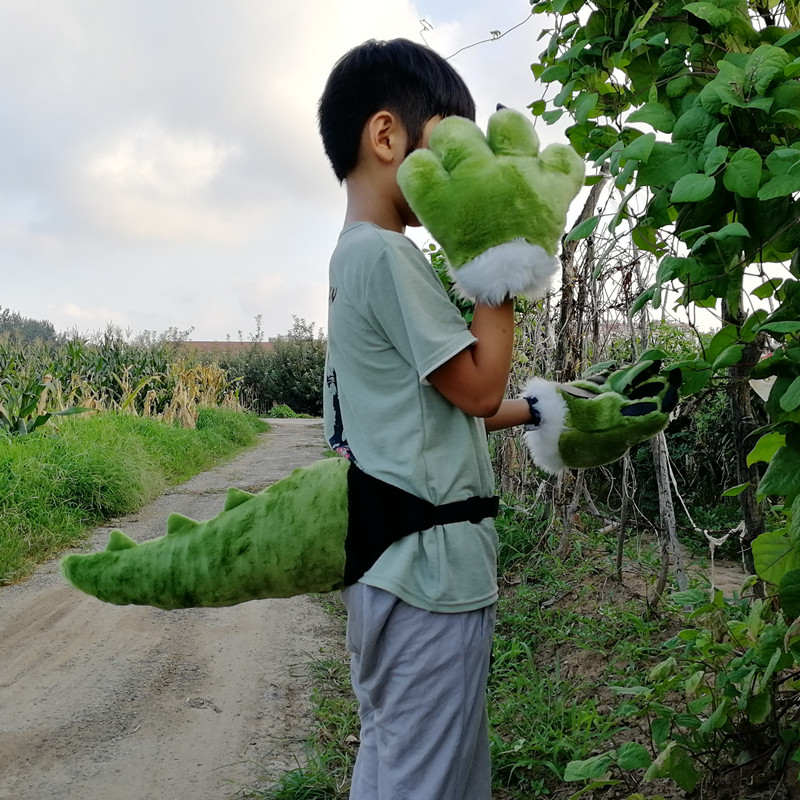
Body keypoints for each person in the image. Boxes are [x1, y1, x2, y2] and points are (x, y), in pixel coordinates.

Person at [318, 38, 536, 800]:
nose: (457, 173)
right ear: (388, 138)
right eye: (449, 150)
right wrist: (498, 254)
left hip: (389, 567)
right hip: (431, 576)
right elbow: (477, 390)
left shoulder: (350, 262)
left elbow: (435, 410)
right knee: (429, 782)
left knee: (395, 762)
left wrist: (539, 408)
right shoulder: (388, 258)